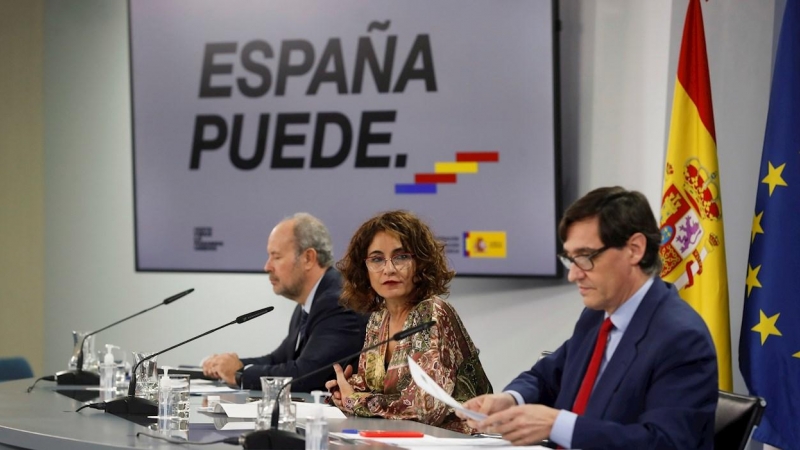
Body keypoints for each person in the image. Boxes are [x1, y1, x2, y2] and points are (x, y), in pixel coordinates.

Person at [460, 187, 718, 449]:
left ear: (635, 249)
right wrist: (511, 399)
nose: (574, 275)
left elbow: (665, 443)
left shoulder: (681, 337)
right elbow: (546, 377)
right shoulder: (596, 317)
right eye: (570, 259)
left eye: (585, 257)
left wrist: (557, 425)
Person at [325, 210, 492, 434]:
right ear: (364, 269)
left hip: (460, 442)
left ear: (421, 263)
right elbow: (374, 391)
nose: (389, 269)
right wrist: (345, 389)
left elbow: (426, 408)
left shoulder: (432, 314)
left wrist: (354, 400)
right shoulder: (378, 319)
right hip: (405, 440)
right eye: (376, 259)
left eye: (401, 257)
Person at [202, 213, 368, 392]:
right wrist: (229, 365)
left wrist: (239, 374)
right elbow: (278, 360)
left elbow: (305, 374)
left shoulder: (337, 301)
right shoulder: (309, 302)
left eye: (276, 257)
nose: (267, 266)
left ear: (308, 258)